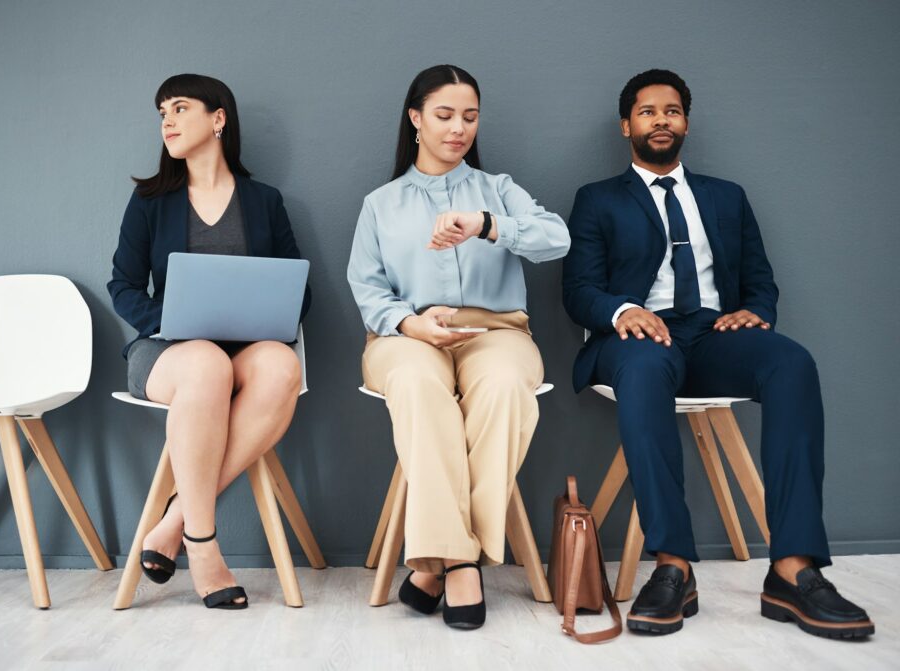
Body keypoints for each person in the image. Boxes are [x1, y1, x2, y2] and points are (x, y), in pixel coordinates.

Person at [562, 69, 873, 638]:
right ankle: (673, 566)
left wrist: (756, 310)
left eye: (673, 110)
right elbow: (579, 290)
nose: (662, 119)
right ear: (626, 124)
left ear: (686, 122)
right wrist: (622, 311)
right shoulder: (598, 199)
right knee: (649, 368)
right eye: (649, 110)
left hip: (710, 335)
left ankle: (792, 568)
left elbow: (760, 279)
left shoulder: (726, 196)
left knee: (791, 362)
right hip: (631, 340)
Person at [348, 64, 569, 630]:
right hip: (406, 335)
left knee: (503, 390)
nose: (458, 128)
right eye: (444, 115)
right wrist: (410, 324)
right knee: (421, 388)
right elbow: (367, 288)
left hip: (496, 332)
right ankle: (465, 561)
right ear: (415, 118)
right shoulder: (381, 203)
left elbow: (556, 238)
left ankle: (438, 563)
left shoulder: (497, 189)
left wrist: (488, 224)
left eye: (469, 117)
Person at [108, 73, 311, 609]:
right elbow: (123, 286)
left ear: (218, 118)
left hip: (244, 348)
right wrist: (171, 321)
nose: (167, 121)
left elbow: (297, 287)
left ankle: (174, 520)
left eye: (179, 108)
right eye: (161, 113)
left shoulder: (265, 201)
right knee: (204, 366)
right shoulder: (150, 201)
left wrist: (273, 311)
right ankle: (202, 545)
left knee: (282, 369)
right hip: (167, 353)